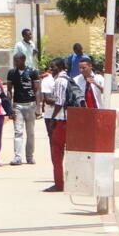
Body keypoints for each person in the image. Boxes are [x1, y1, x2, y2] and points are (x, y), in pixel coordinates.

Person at [5, 52, 40, 166]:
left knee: (30, 132)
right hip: (18, 106)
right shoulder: (11, 73)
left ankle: (29, 156)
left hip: (30, 104)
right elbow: (9, 90)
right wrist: (9, 108)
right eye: (15, 60)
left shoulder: (33, 72)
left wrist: (38, 107)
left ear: (24, 60)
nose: (16, 62)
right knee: (18, 131)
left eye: (18, 60)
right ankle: (17, 157)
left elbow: (37, 90)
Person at [46, 58, 71, 192]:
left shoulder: (60, 81)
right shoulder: (68, 79)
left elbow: (60, 102)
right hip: (69, 120)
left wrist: (52, 119)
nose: (51, 70)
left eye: (54, 67)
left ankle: (59, 184)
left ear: (60, 67)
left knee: (56, 152)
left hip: (62, 121)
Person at [40, 60, 57, 139]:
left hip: (63, 116)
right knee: (52, 137)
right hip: (50, 114)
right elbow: (47, 99)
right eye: (51, 68)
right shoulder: (46, 80)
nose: (52, 69)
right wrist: (62, 101)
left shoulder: (66, 79)